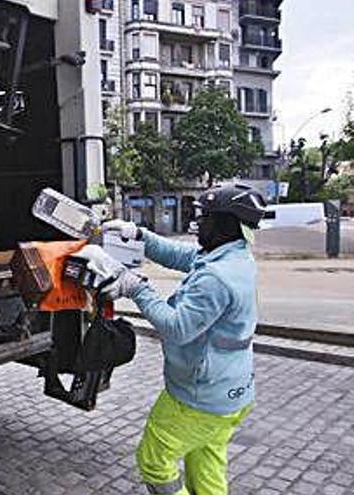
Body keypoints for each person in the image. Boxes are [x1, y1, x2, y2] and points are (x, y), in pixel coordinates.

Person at [76, 184, 269, 495]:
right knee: (207, 464)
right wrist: (139, 235)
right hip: (230, 394)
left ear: (225, 224)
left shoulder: (216, 278)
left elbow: (177, 327)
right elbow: (182, 255)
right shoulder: (233, 257)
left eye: (204, 218)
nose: (197, 224)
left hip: (198, 398)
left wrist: (135, 287)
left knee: (154, 461)